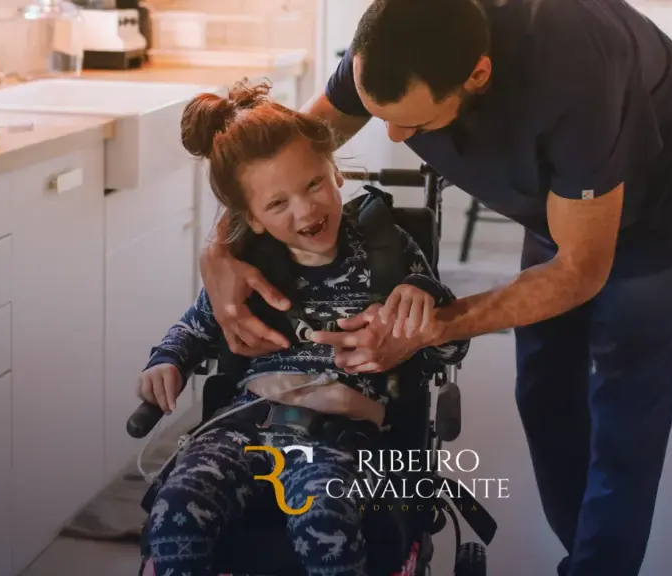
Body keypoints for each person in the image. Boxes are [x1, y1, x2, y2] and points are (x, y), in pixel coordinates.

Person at [197, 1, 672, 575]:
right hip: (560, 207)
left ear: (477, 75)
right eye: (382, 117)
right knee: (544, 393)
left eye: (417, 124)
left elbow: (580, 270)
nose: (396, 136)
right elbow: (273, 160)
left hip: (659, 217)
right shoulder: (393, 38)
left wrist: (426, 328)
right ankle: (587, 552)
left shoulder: (576, 76)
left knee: (623, 418)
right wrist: (221, 246)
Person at [136, 79, 471, 576]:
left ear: (334, 172)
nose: (306, 209)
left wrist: (427, 312)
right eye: (277, 204)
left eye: (314, 183)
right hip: (243, 425)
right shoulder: (247, 267)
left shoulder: (388, 249)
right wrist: (166, 360)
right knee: (176, 505)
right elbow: (194, 328)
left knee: (324, 519)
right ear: (247, 218)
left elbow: (450, 348)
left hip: (338, 435)